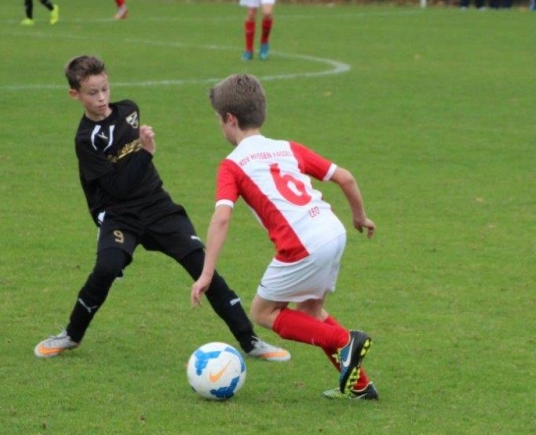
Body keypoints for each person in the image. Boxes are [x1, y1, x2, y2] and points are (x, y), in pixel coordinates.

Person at [34, 57, 290, 364]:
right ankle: (72, 334)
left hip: (158, 207)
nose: (101, 98)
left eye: (105, 88)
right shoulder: (86, 140)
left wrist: (142, 150)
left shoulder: (129, 111)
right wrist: (146, 153)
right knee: (106, 268)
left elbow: (132, 170)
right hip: (119, 213)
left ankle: (249, 340)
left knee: (202, 266)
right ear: (74, 94)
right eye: (92, 93)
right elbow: (116, 188)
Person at [191, 74, 379, 400]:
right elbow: (346, 178)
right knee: (310, 311)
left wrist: (206, 273)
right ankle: (360, 386)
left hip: (302, 244)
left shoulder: (232, 165)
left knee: (263, 313)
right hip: (332, 229)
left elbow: (222, 217)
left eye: (219, 120)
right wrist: (359, 217)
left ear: (230, 119)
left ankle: (345, 341)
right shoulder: (287, 148)